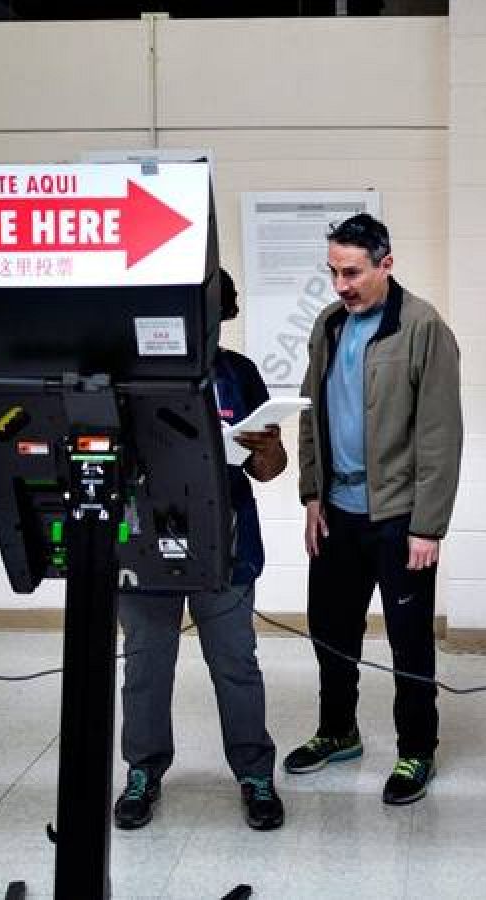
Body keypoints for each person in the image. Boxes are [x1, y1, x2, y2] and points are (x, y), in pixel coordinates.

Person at [283, 213, 463, 805]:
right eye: (333, 272)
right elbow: (311, 414)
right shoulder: (328, 326)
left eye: (353, 273)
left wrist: (427, 526)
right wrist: (312, 494)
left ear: (386, 264)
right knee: (330, 630)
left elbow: (440, 436)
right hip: (337, 511)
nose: (341, 285)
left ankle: (417, 750)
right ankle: (338, 730)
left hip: (399, 517)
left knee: (409, 639)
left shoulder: (423, 327)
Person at [113, 270, 289, 832]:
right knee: (146, 663)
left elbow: (270, 469)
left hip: (225, 543)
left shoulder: (239, 374)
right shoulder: (129, 373)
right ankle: (143, 771)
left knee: (235, 662)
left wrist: (266, 449)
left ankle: (255, 773)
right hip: (146, 541)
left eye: (213, 316)